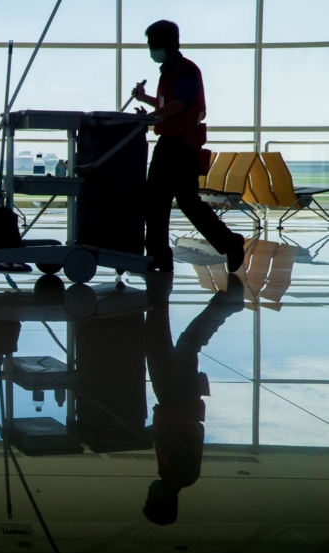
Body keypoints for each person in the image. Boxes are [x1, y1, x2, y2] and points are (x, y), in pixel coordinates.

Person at [132, 20, 245, 274]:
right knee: (183, 200)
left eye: (152, 44)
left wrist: (153, 117)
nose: (150, 49)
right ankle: (226, 243)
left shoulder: (184, 69)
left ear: (164, 44)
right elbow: (169, 104)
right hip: (174, 142)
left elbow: (179, 105)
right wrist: (146, 101)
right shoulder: (170, 70)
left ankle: (161, 256)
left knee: (161, 201)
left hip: (179, 144)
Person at [142, 272, 245, 525]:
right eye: (150, 500)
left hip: (177, 399)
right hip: (175, 397)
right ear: (164, 501)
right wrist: (146, 433)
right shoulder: (181, 475)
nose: (148, 493)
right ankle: (224, 303)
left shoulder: (174, 476)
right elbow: (177, 437)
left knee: (183, 342)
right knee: (165, 341)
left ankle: (226, 303)